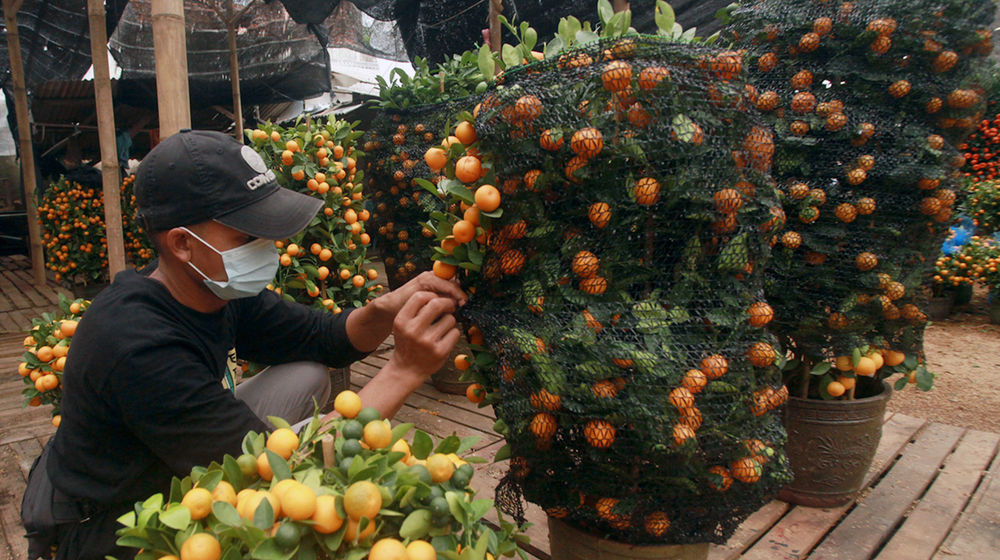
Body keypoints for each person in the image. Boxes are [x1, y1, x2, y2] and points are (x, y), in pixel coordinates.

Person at [21, 129, 465, 559]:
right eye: (246, 235)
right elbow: (289, 475)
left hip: (172, 450)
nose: (267, 246)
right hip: (116, 520)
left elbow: (324, 338)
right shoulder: (138, 347)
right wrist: (404, 370)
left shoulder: (212, 288)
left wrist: (387, 308)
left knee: (308, 371)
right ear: (182, 244)